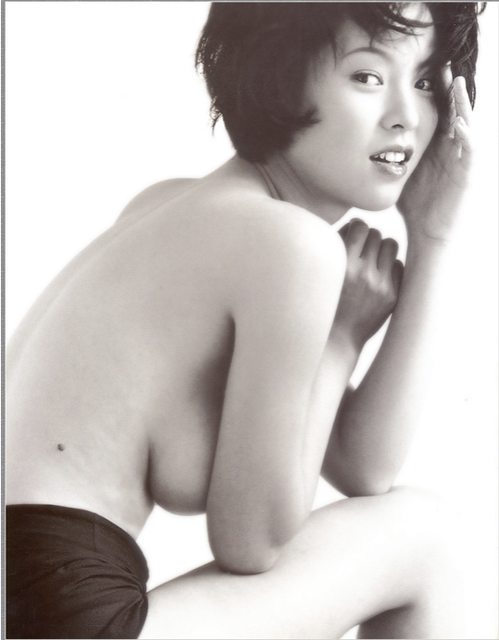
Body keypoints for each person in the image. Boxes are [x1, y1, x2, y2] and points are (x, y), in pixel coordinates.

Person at [6, 2, 484, 638]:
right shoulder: (291, 247)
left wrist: (433, 235)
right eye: (368, 76)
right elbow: (252, 543)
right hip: (61, 615)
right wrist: (341, 342)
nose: (407, 116)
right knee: (428, 540)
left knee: (414, 529)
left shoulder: (175, 206)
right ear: (278, 77)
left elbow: (363, 467)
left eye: (425, 82)